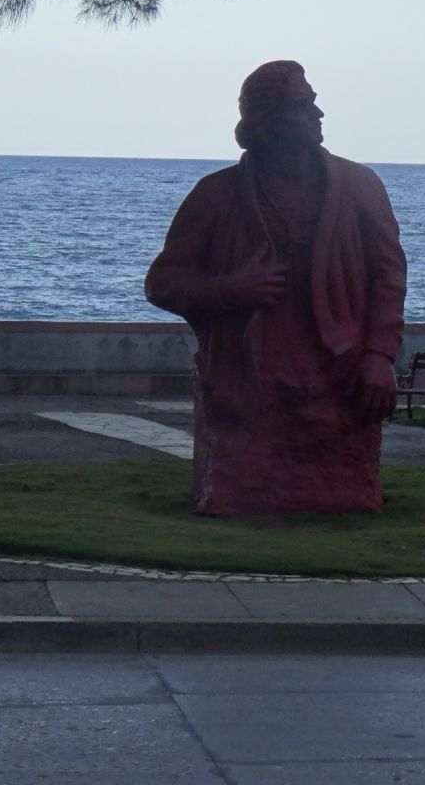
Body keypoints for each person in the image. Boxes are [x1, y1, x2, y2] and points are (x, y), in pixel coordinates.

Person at [144, 61, 407, 514]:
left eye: (314, 102)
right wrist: (231, 289)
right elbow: (163, 282)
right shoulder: (215, 195)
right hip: (247, 385)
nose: (318, 114)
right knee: (241, 486)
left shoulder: (361, 187)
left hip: (338, 376)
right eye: (303, 105)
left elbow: (389, 276)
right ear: (267, 120)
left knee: (343, 493)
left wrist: (379, 356)